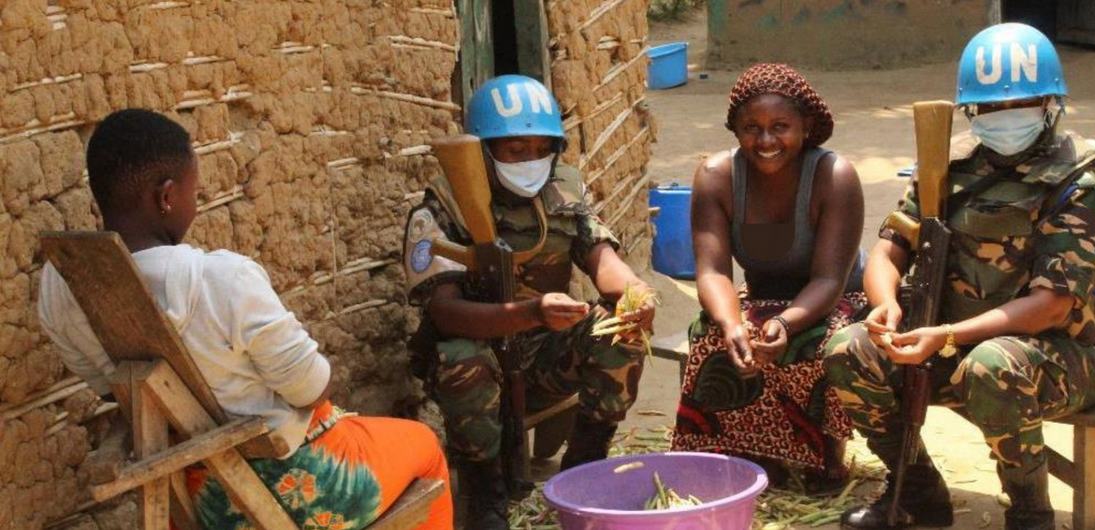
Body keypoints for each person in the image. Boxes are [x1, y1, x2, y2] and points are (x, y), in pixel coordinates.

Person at [37, 109, 454, 530]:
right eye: (192, 192)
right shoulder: (222, 280)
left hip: (196, 495)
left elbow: (108, 388)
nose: (194, 204)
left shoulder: (60, 284)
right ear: (166, 197)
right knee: (424, 446)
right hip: (299, 487)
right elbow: (309, 387)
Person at [824, 23, 1095, 530]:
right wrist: (884, 303)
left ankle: (1030, 512)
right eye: (989, 108)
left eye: (1020, 105)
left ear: (1052, 105)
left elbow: (1051, 306)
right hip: (948, 343)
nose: (1004, 117)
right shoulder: (946, 167)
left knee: (991, 366)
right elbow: (887, 251)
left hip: (1063, 356)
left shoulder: (1076, 184)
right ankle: (917, 492)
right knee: (846, 348)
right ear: (971, 111)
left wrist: (945, 335)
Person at [404, 74, 654, 528]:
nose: (531, 161)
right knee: (463, 360)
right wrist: (527, 313)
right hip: (479, 366)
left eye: (542, 149)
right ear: (482, 150)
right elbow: (442, 311)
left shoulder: (562, 191)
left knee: (623, 330)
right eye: (515, 150)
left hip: (546, 355)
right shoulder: (445, 206)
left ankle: (583, 474)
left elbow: (599, 254)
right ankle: (487, 496)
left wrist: (635, 293)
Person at [671, 63, 867, 489]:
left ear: (806, 127)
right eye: (751, 128)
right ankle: (743, 450)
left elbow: (830, 280)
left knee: (818, 342)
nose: (765, 141)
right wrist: (731, 323)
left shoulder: (835, 177)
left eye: (781, 126)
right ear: (735, 129)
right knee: (709, 335)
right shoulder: (717, 177)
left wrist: (784, 322)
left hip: (836, 296)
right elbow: (712, 271)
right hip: (761, 294)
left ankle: (823, 454)